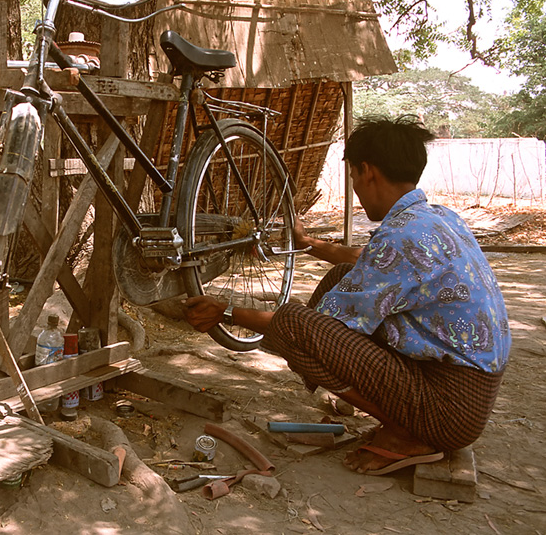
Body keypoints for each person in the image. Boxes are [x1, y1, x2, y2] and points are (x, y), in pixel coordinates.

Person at [185, 115, 511, 475]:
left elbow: (313, 324)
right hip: (459, 395)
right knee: (341, 279)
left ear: (367, 171)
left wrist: (226, 311)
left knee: (293, 323)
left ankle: (406, 434)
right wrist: (307, 244)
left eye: (354, 176)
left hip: (447, 413)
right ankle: (387, 413)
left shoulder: (401, 238)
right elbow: (360, 262)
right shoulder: (435, 218)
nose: (354, 185)